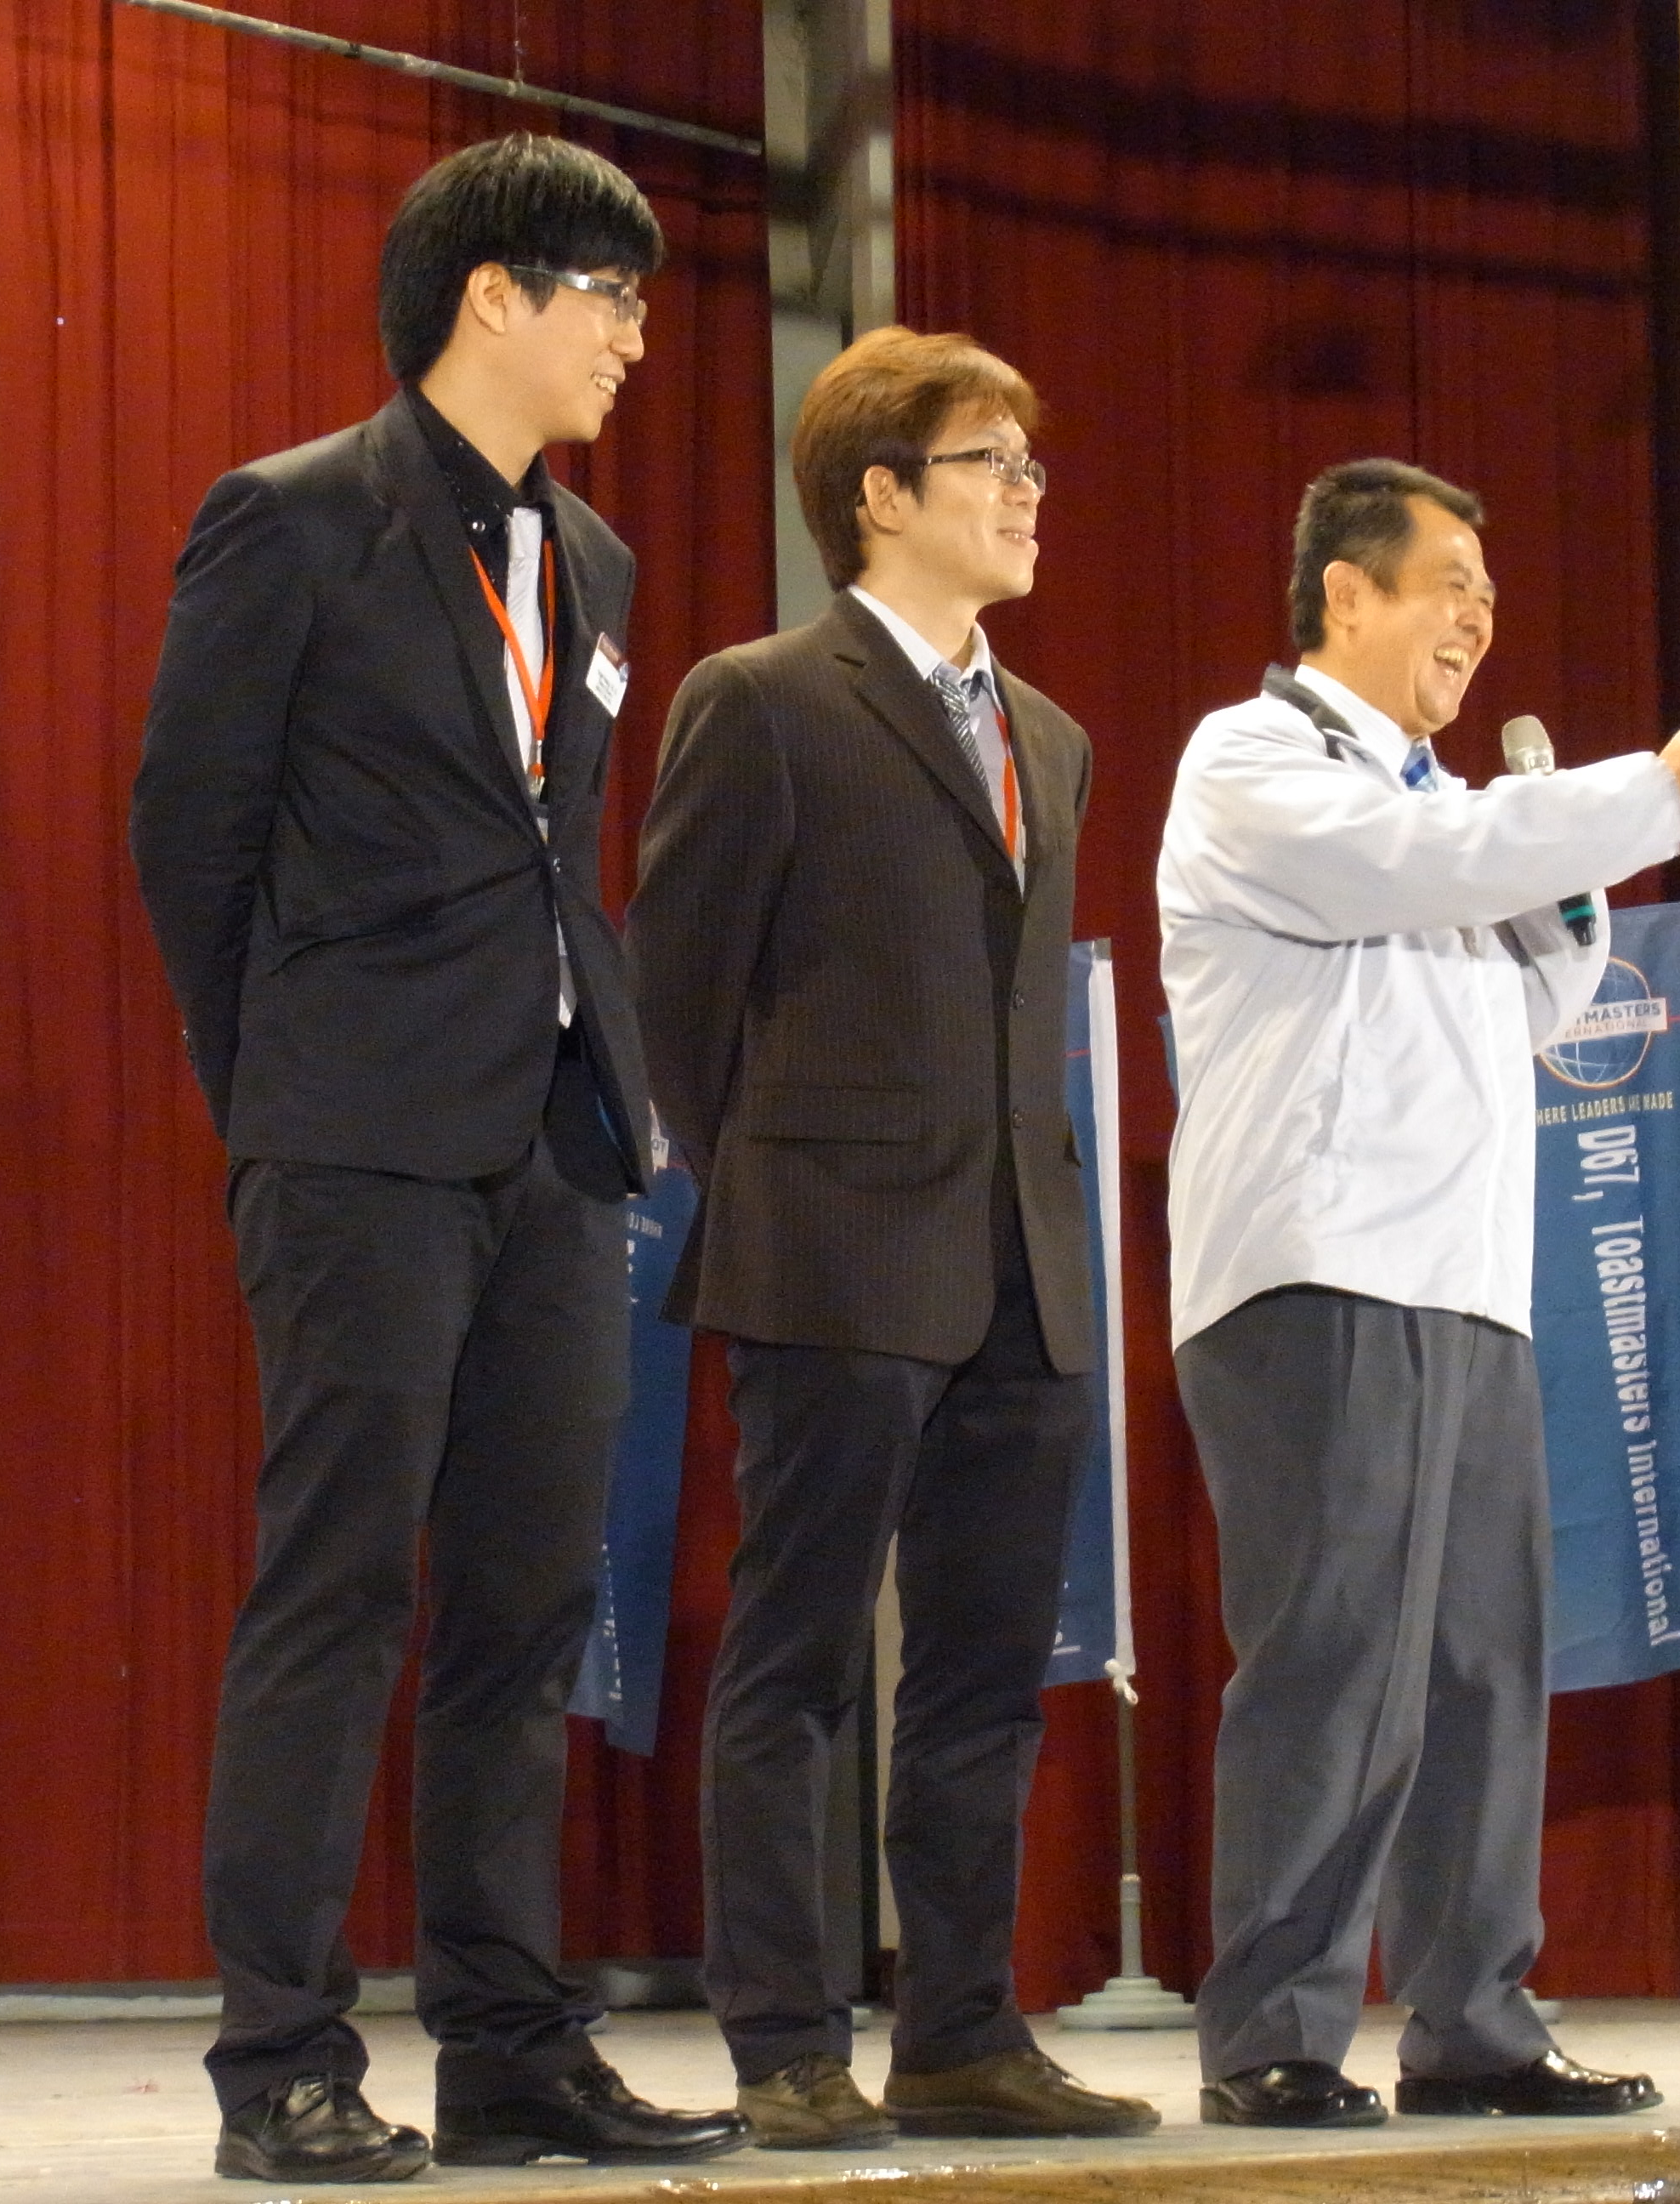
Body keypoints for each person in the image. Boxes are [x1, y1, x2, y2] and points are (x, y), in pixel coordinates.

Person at [130, 134, 747, 2183]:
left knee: (524, 1610)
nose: (636, 337)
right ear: (495, 293)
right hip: (356, 1136)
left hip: (560, 1145)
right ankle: (282, 2059)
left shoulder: (600, 564)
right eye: (611, 295)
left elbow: (555, 853)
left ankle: (509, 2049)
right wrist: (286, 1095)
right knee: (337, 1587)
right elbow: (190, 839)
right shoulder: (295, 518)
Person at [1158, 459, 1680, 2129]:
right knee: (1338, 1659)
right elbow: (1411, 866)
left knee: (1478, 1672)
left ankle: (1474, 2023)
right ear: (1345, 595)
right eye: (1447, 583)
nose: (1477, 618)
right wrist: (1659, 789)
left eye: (1489, 594)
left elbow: (1528, 997)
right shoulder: (1256, 761)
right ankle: (1275, 2035)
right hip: (1319, 1270)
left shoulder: (1449, 816)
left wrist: (1565, 897)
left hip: (1466, 1283)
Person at [627, 327, 1157, 2151]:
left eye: (1032, 465)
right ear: (881, 494)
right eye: (990, 463)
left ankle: (960, 2031)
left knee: (988, 1672)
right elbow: (679, 991)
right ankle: (784, 2042)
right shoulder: (764, 698)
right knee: (794, 1658)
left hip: (1026, 1260)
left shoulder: (1054, 739)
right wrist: (784, 1182)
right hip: (834, 1249)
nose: (1027, 495)